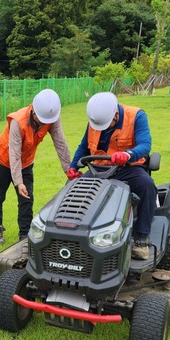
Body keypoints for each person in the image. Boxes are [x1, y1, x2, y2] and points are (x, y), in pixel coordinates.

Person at [68, 91, 157, 260]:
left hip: (128, 167)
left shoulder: (136, 116)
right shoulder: (96, 120)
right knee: (72, 189)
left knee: (147, 186)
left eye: (107, 124)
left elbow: (145, 145)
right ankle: (73, 233)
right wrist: (73, 167)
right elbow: (83, 146)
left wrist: (128, 154)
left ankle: (141, 238)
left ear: (115, 113)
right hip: (99, 168)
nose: (104, 128)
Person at [0, 89, 72, 245]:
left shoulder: (51, 118)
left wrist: (69, 171)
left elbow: (60, 143)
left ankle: (24, 235)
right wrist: (18, 182)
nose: (43, 124)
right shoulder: (17, 121)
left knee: (26, 198)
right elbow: (14, 154)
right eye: (41, 120)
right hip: (3, 160)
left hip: (26, 162)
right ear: (34, 110)